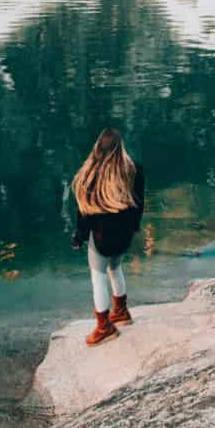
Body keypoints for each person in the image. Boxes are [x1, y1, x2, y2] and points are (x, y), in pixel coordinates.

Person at [69, 127, 146, 346]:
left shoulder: (91, 174)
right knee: (116, 268)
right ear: (120, 147)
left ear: (97, 146)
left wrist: (79, 237)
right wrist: (135, 227)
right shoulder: (134, 170)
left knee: (98, 277)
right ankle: (121, 312)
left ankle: (104, 327)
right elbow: (140, 204)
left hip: (101, 238)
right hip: (125, 234)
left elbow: (84, 212)